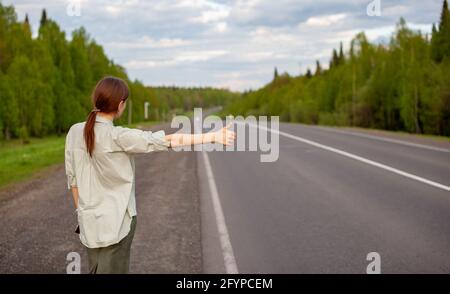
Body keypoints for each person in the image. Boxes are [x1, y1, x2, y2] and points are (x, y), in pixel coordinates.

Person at [64, 76, 235, 274]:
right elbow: (167, 140)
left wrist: (83, 214)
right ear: (120, 105)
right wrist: (212, 136)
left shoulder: (74, 132)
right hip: (118, 224)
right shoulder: (119, 136)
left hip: (88, 222)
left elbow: (73, 180)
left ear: (96, 100)